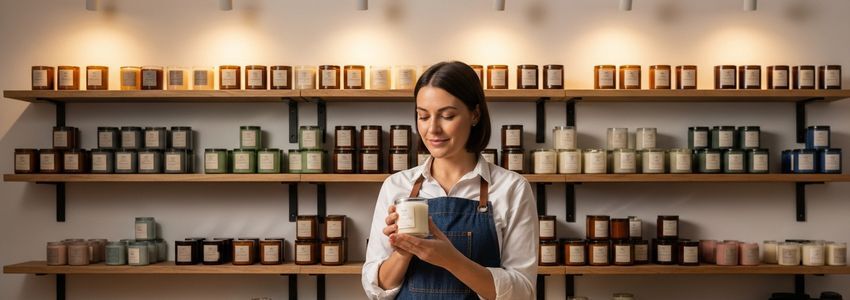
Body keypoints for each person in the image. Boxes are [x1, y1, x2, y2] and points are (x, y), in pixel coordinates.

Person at [361, 61, 538, 300]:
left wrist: (451, 260)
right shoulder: (396, 186)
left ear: (474, 114)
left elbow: (522, 292)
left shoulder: (512, 188)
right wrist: (404, 251)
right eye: (423, 116)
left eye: (447, 116)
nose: (432, 129)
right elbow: (376, 290)